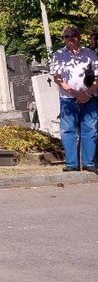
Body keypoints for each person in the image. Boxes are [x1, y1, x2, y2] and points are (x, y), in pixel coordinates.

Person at [50, 25, 98, 173]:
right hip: (68, 99)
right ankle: (71, 164)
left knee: (90, 129)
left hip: (90, 97)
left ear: (79, 37)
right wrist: (75, 93)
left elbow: (97, 77)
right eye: (67, 36)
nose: (70, 38)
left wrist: (87, 93)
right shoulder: (58, 55)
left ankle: (89, 163)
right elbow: (57, 78)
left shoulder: (90, 54)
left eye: (73, 35)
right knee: (68, 130)